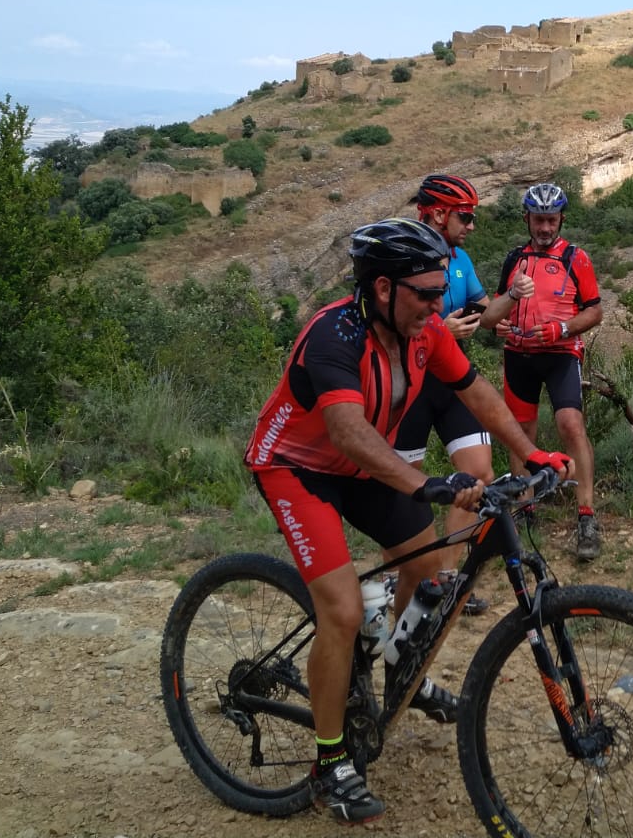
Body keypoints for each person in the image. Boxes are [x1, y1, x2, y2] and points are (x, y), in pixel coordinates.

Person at [244, 217, 571, 824]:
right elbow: (348, 431)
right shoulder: (333, 336)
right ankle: (329, 762)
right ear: (383, 289)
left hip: (361, 464)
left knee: (429, 570)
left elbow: (475, 392)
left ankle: (400, 672)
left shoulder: (424, 331)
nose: (437, 304)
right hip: (296, 468)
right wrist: (425, 484)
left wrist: (531, 453)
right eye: (425, 293)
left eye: (441, 290)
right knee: (342, 610)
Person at [396, 172, 536, 615]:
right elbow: (392, 325)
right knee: (407, 489)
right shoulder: (404, 257)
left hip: (452, 382)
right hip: (409, 384)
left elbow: (486, 316)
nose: (472, 225)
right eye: (466, 216)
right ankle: (409, 579)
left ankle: (446, 576)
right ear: (438, 214)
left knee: (478, 475)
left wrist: (512, 295)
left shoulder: (460, 260)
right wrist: (441, 329)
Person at [494, 182, 605, 560]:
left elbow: (595, 310)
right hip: (518, 354)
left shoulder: (577, 257)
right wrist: (499, 323)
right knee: (520, 433)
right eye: (539, 220)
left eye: (551, 220)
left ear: (561, 220)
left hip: (560, 354)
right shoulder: (514, 258)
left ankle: (586, 515)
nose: (545, 228)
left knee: (570, 424)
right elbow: (498, 304)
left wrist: (563, 328)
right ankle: (525, 509)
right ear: (527, 219)